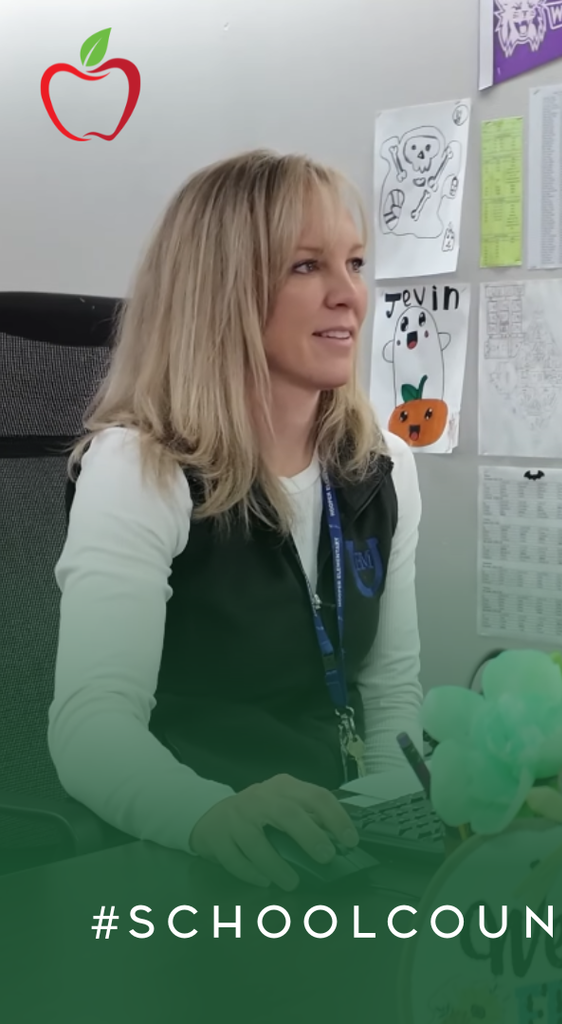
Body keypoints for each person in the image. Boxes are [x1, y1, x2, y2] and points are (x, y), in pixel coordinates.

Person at [48, 150, 423, 891]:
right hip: (190, 851)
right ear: (219, 291)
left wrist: (394, 816)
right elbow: (89, 728)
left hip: (336, 844)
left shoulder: (381, 467)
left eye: (354, 262)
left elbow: (392, 692)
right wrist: (207, 816)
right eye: (307, 267)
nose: (351, 294)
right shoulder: (139, 469)